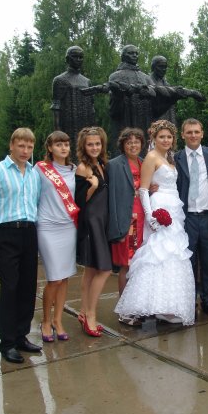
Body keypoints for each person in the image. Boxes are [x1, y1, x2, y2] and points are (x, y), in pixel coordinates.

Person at [115, 120, 195, 325]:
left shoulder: (169, 158)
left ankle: (167, 305)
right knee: (157, 254)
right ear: (154, 138)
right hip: (159, 208)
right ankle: (141, 306)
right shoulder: (151, 157)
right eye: (162, 137)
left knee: (173, 255)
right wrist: (150, 215)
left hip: (174, 208)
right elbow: (143, 189)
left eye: (169, 137)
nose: (166, 140)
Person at [0, 128, 42, 364]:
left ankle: (21, 336)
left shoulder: (34, 174)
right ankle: (8, 343)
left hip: (29, 232)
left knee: (28, 287)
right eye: (21, 146)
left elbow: (36, 204)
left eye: (29, 147)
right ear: (11, 145)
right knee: (10, 287)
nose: (25, 151)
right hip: (5, 234)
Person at [35, 131, 78, 342]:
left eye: (66, 144)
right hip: (47, 226)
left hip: (68, 226)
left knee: (65, 276)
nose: (63, 148)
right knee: (54, 278)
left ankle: (58, 320)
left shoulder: (74, 170)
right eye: (59, 144)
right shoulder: (40, 169)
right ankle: (45, 321)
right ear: (50, 148)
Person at [174, 118, 208, 318]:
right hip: (187, 218)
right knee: (188, 262)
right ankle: (189, 302)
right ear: (183, 134)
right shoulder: (175, 158)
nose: (193, 135)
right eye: (189, 132)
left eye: (196, 132)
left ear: (202, 133)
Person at [75, 127, 112, 337]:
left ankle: (82, 311)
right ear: (84, 146)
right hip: (91, 222)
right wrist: (92, 186)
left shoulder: (102, 164)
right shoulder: (83, 168)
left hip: (102, 220)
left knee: (90, 270)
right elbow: (79, 201)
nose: (94, 147)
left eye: (97, 143)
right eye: (90, 144)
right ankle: (90, 315)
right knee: (104, 269)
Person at [107, 127, 147, 326]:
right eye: (129, 142)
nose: (133, 145)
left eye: (136, 142)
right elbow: (111, 198)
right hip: (127, 222)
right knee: (127, 265)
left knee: (139, 265)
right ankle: (124, 310)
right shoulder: (114, 165)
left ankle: (136, 306)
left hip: (143, 221)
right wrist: (115, 226)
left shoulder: (144, 162)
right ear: (123, 145)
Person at [51, 46, 99, 161]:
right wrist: (58, 132)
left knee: (86, 154)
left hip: (85, 124)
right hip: (68, 124)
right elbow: (56, 107)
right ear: (67, 59)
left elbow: (92, 108)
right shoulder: (60, 80)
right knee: (70, 155)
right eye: (75, 57)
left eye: (80, 57)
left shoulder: (86, 81)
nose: (78, 60)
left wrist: (93, 130)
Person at [108, 45, 156, 153]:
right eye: (130, 53)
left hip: (144, 119)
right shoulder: (115, 76)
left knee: (144, 149)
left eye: (136, 53)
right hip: (125, 119)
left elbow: (155, 95)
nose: (134, 55)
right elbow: (114, 108)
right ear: (123, 56)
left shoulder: (146, 77)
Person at [149, 55, 205, 123]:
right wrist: (192, 93)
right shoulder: (149, 81)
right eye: (160, 66)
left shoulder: (166, 83)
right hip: (154, 123)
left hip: (168, 122)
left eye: (165, 67)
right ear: (153, 67)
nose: (163, 69)